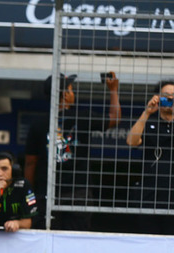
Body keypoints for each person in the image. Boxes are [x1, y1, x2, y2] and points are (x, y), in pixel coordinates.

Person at [24, 71, 121, 230]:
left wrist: (30, 194)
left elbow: (30, 163)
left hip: (47, 194)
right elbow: (115, 118)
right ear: (65, 94)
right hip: (78, 193)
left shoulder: (38, 124)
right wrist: (113, 90)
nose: (73, 93)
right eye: (71, 89)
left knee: (48, 240)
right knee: (75, 242)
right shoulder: (83, 117)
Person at [125, 79, 174, 235]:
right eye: (166, 96)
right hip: (150, 196)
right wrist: (147, 112)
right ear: (158, 98)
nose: (171, 99)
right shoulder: (149, 122)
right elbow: (132, 141)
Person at [0, 152, 38, 232]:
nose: (0, 174)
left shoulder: (23, 185)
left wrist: (17, 223)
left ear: (14, 169)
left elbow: (28, 222)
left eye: (4, 169)